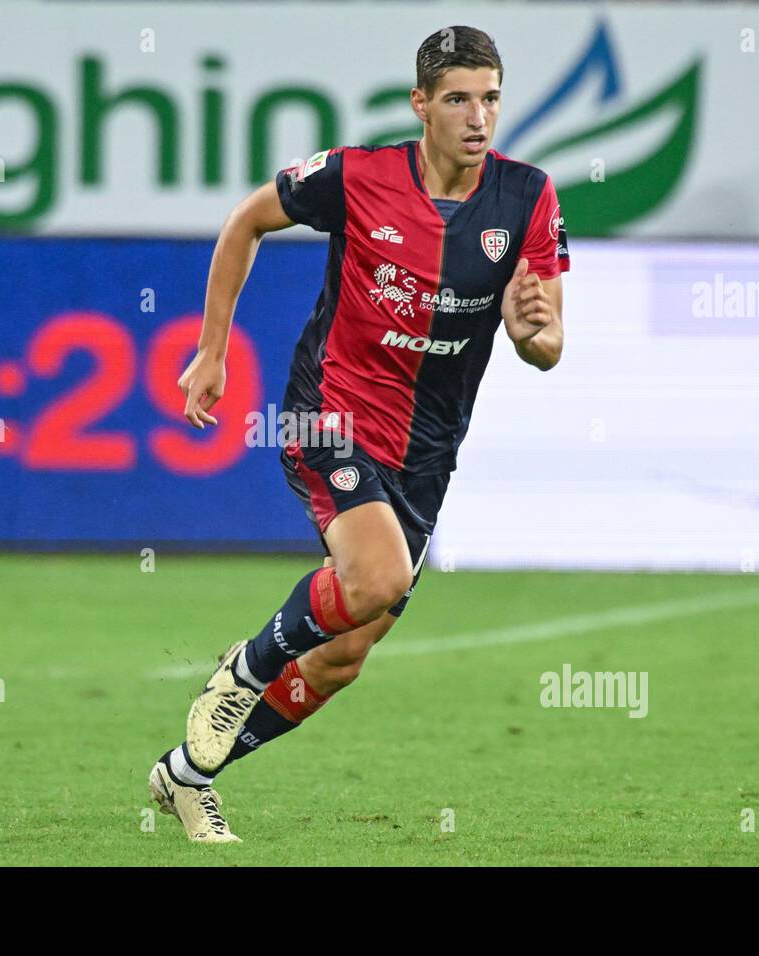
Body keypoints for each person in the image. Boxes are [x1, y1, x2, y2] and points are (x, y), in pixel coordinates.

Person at [148, 25, 570, 843]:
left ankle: (187, 776)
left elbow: (548, 345)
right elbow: (246, 221)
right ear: (421, 105)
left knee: (345, 654)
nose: (477, 116)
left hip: (428, 450)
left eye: (489, 98)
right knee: (373, 578)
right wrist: (211, 350)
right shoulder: (356, 177)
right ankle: (245, 668)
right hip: (327, 412)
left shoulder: (528, 197)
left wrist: (531, 334)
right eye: (457, 99)